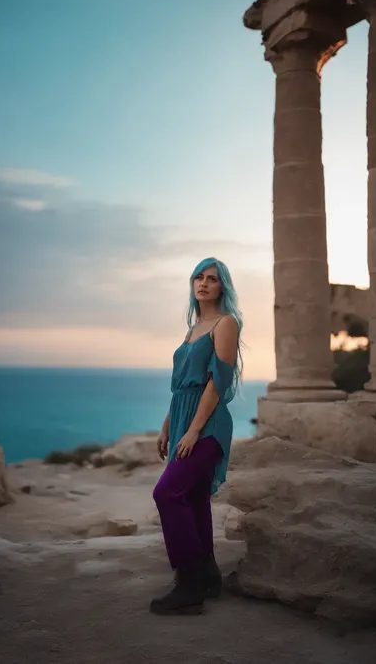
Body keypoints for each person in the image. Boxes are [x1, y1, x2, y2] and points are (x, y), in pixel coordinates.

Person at [150, 257, 243, 615]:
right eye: (198, 277)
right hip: (184, 417)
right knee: (192, 496)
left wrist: (192, 430)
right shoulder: (193, 328)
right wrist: (167, 425)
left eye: (213, 279)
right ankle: (207, 575)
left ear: (223, 287)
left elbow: (215, 384)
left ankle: (188, 583)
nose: (203, 284)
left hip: (208, 424)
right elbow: (181, 388)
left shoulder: (225, 323)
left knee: (167, 493)